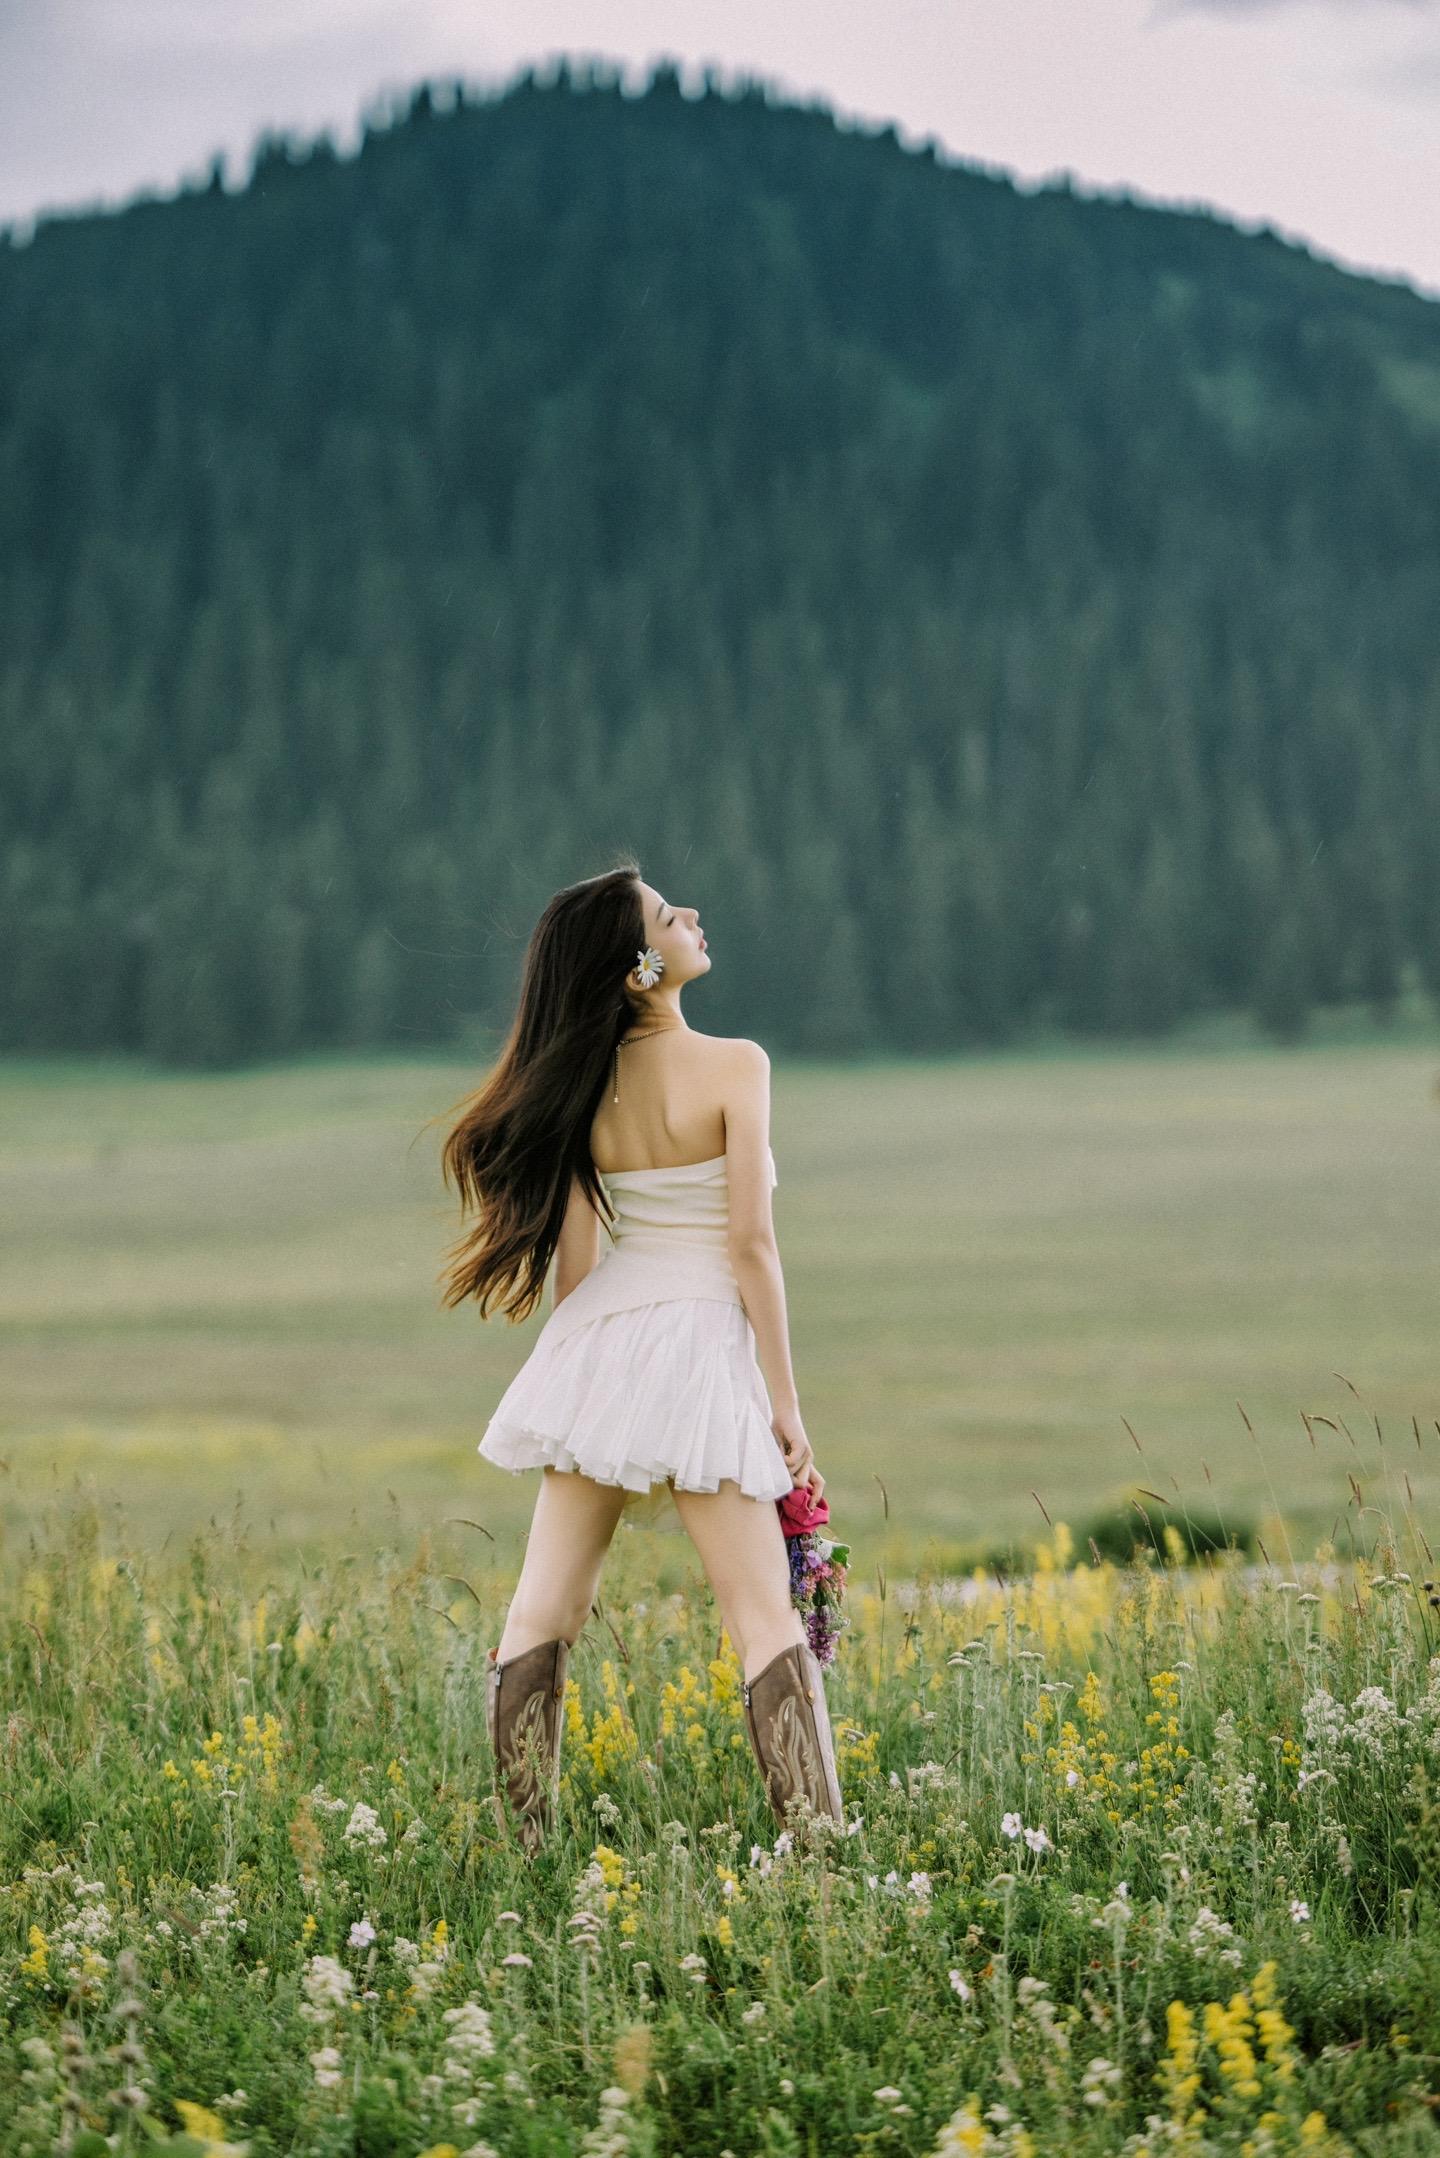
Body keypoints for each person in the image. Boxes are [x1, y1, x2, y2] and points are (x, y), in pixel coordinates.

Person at [435, 860, 844, 1850]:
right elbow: (750, 1247)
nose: (691, 916)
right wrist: (784, 1406)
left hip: (609, 1333)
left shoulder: (580, 1087)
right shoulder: (737, 1064)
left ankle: (525, 1846)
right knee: (761, 1617)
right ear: (637, 972)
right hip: (700, 1334)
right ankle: (821, 1856)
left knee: (545, 1606)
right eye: (668, 915)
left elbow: (578, 1273)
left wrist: (591, 1380)